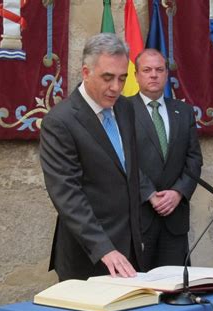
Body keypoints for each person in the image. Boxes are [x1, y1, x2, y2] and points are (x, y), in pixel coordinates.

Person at [40, 33, 144, 281]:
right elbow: (67, 194)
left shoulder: (126, 108)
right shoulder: (60, 121)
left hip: (130, 250)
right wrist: (104, 248)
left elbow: (127, 173)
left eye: (122, 78)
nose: (116, 88)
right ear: (86, 72)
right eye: (107, 78)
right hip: (88, 255)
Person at [129, 48, 203, 270]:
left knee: (176, 288)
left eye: (159, 70)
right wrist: (150, 194)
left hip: (175, 219)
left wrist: (178, 192)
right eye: (147, 70)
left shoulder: (184, 111)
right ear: (136, 75)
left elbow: (194, 158)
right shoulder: (122, 110)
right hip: (140, 218)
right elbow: (124, 159)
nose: (154, 75)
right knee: (140, 291)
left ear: (166, 74)